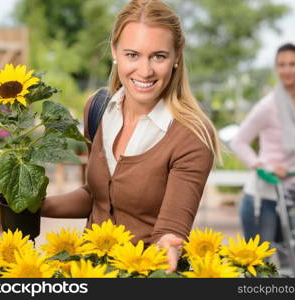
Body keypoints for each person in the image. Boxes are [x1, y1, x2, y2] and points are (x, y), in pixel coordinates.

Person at [41, 0, 221, 273]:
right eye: (132, 55)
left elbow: (171, 228)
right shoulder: (99, 109)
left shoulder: (191, 134)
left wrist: (170, 245)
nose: (145, 70)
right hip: (89, 272)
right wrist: (36, 206)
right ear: (115, 51)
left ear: (176, 57)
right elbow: (99, 196)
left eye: (158, 56)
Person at [229, 43, 295, 265]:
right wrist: (263, 166)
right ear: (276, 69)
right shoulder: (268, 105)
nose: (287, 70)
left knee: (294, 263)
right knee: (259, 267)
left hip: (292, 195)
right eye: (281, 65)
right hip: (263, 196)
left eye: (292, 64)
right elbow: (239, 142)